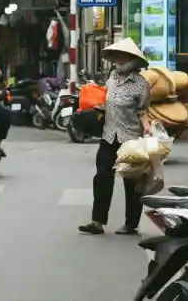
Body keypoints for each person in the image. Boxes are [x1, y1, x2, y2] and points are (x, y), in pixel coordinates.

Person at [79, 38, 153, 236]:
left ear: (131, 59)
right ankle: (97, 222)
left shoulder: (141, 84)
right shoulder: (111, 77)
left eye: (122, 56)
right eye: (116, 56)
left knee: (131, 182)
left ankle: (131, 224)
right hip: (109, 135)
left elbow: (143, 110)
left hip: (130, 138)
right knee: (102, 176)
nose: (118, 60)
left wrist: (146, 127)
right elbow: (108, 101)